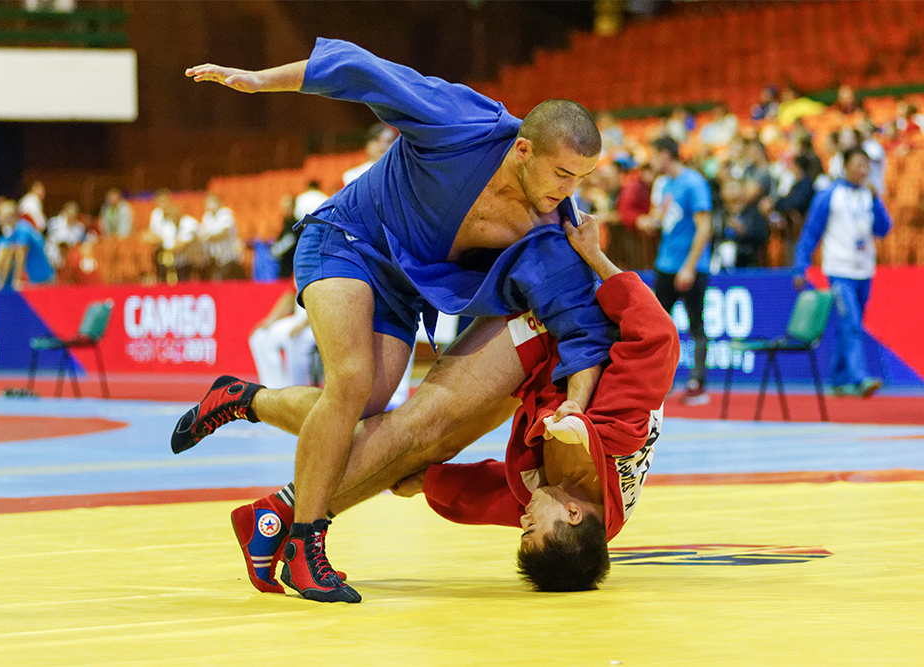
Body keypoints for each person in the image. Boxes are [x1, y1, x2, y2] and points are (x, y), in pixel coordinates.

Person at [183, 39, 604, 602]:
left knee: (368, 414)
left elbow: (582, 327)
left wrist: (576, 401)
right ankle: (306, 543)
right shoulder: (463, 123)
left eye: (581, 178)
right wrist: (261, 81)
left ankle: (242, 399)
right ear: (524, 149)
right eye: (561, 173)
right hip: (346, 240)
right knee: (352, 382)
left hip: (402, 294)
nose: (567, 192)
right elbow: (362, 71)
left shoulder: (554, 228)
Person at [173, 214, 675, 596]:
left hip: (540, 385)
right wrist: (596, 258)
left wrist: (431, 483)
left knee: (394, 438)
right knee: (413, 434)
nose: (523, 520)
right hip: (556, 328)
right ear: (570, 513)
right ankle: (283, 518)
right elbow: (656, 337)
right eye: (532, 526)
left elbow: (489, 498)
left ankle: (248, 407)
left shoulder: (558, 512)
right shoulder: (619, 426)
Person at [793, 147, 892, 398]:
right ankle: (858, 378)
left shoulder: (868, 195)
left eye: (866, 165)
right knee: (851, 322)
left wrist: (876, 201)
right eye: (858, 164)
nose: (863, 170)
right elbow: (811, 232)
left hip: (864, 270)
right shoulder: (829, 196)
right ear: (845, 166)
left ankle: (838, 378)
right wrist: (800, 266)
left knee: (850, 324)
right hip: (839, 270)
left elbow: (883, 229)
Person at [640, 136, 713, 404]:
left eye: (654, 154)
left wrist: (689, 267)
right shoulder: (664, 185)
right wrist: (650, 222)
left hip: (688, 267)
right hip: (665, 264)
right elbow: (665, 219)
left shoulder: (694, 183)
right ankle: (660, 383)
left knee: (696, 326)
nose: (651, 161)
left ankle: (698, 384)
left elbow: (705, 226)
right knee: (658, 327)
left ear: (666, 154)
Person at [200, 192, 242, 280]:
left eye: (211, 203)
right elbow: (202, 234)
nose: (209, 206)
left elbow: (224, 233)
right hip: (214, 258)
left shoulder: (226, 214)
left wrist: (209, 237)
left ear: (219, 203)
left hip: (229, 257)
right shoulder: (207, 217)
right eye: (207, 203)